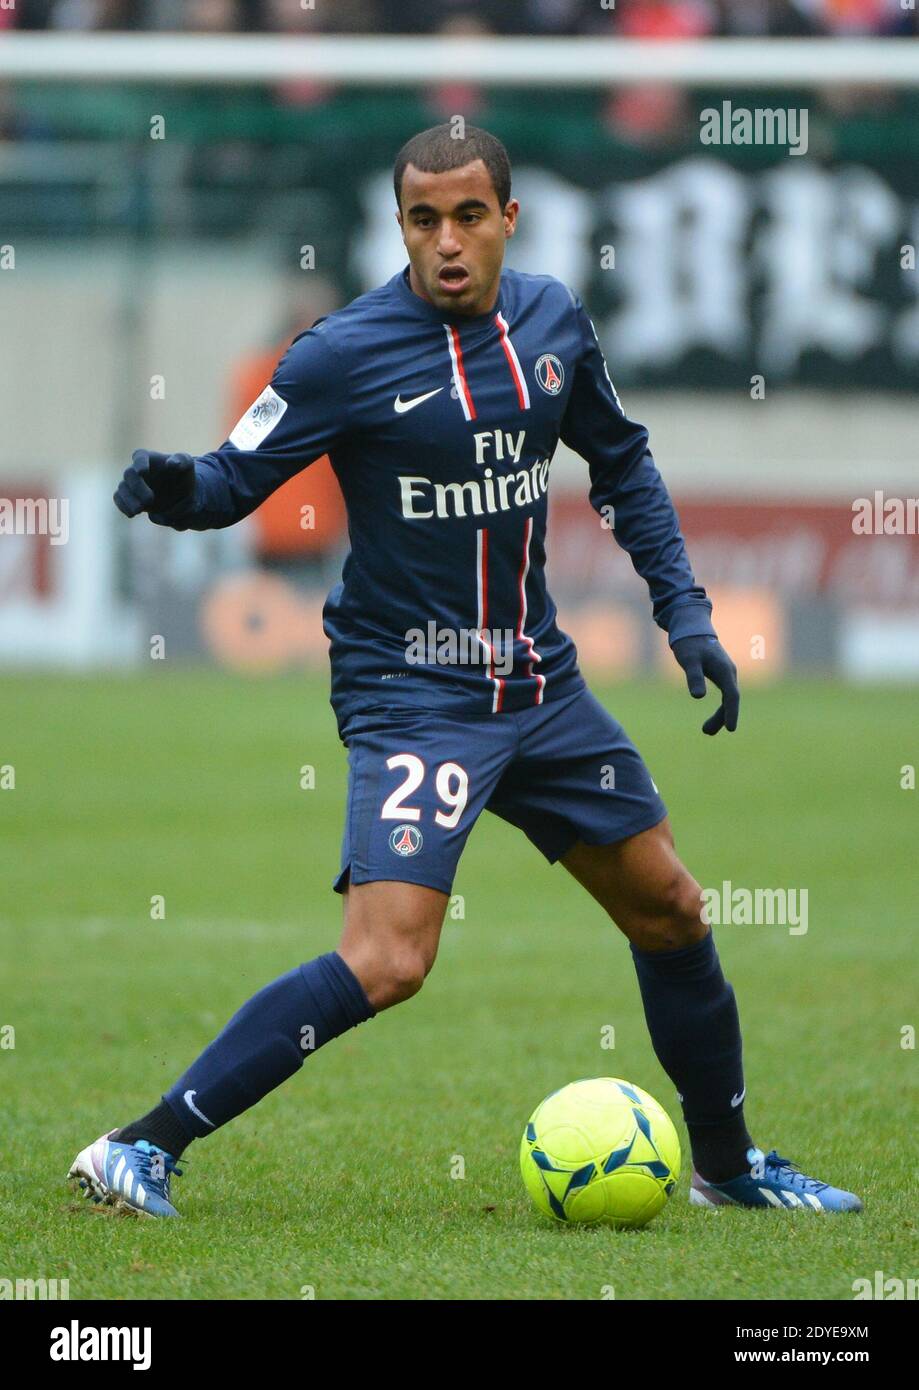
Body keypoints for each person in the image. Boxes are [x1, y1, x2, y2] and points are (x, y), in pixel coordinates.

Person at [70, 124, 861, 1217]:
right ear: (398, 227)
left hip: (537, 684)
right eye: (423, 220)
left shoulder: (551, 323)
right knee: (390, 959)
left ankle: (727, 1167)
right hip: (413, 693)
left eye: (468, 217)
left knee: (672, 907)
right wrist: (173, 486)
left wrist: (683, 613)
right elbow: (228, 482)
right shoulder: (339, 354)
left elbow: (623, 462)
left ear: (509, 220)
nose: (447, 241)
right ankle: (140, 1146)